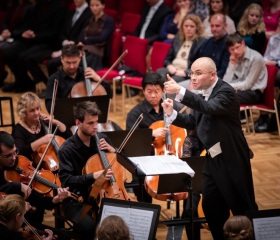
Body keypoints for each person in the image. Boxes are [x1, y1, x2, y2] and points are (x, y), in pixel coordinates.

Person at [162, 57, 258, 240]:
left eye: (198, 73)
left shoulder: (226, 92)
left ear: (213, 75)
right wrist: (172, 114)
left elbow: (210, 108)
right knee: (212, 206)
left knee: (242, 207)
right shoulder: (202, 93)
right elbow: (194, 122)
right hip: (213, 158)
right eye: (192, 73)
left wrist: (180, 91)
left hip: (232, 158)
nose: (193, 78)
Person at [58, 101, 114, 240]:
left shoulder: (102, 139)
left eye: (96, 122)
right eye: (90, 123)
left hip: (104, 195)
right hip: (77, 199)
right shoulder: (66, 149)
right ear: (78, 122)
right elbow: (67, 181)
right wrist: (92, 176)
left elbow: (118, 165)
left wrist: (114, 152)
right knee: (90, 228)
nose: (95, 127)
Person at [126, 72, 186, 203]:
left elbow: (185, 126)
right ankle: (147, 212)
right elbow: (130, 140)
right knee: (139, 179)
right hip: (147, 158)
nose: (153, 95)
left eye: (157, 91)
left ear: (163, 90)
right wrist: (151, 134)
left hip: (171, 153)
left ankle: (185, 217)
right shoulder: (135, 113)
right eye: (149, 91)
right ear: (143, 91)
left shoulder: (170, 107)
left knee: (190, 175)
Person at [0, 131, 71, 239]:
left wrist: (55, 200)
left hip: (23, 221)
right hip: (5, 225)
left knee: (63, 236)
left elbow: (36, 199)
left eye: (15, 152)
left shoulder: (18, 165)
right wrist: (16, 186)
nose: (14, 158)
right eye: (8, 155)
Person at [2, 0, 67, 92]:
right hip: (32, 39)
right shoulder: (36, 7)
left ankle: (43, 83)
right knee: (8, 52)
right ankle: (23, 81)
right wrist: (24, 33)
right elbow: (27, 25)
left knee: (24, 56)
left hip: (48, 43)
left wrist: (35, 36)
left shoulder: (59, 8)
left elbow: (56, 33)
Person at [44, 43, 112, 113]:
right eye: (68, 63)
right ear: (61, 59)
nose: (72, 66)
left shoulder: (87, 74)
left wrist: (99, 79)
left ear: (80, 59)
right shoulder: (54, 79)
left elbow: (109, 96)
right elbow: (50, 107)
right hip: (67, 118)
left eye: (74, 62)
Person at [12, 92, 72, 162]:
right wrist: (42, 140)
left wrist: (54, 121)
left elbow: (68, 135)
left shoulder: (45, 122)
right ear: (24, 112)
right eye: (32, 110)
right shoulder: (18, 130)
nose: (37, 112)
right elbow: (20, 152)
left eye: (38, 108)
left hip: (51, 161)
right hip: (31, 166)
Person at [157, 14, 206, 86]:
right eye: (186, 26)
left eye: (192, 26)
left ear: (197, 28)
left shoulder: (202, 42)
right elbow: (167, 59)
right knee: (158, 73)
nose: (188, 29)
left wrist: (186, 73)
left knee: (172, 82)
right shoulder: (177, 38)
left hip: (184, 72)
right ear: (182, 27)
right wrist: (169, 65)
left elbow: (201, 66)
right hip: (172, 69)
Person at [46, 0, 93, 76]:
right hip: (64, 46)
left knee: (52, 63)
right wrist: (65, 42)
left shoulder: (90, 14)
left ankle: (62, 86)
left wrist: (66, 48)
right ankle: (55, 86)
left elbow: (84, 36)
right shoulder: (71, 12)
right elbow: (62, 31)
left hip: (79, 49)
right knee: (49, 61)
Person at [223, 33, 267, 106]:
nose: (235, 51)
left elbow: (247, 85)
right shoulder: (234, 57)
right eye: (232, 49)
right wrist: (232, 65)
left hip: (253, 92)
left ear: (243, 43)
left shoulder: (256, 58)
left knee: (224, 97)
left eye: (237, 47)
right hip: (239, 90)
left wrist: (228, 86)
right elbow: (226, 81)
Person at [76, 0, 115, 71]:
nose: (94, 8)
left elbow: (101, 38)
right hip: (85, 50)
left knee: (77, 65)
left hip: (97, 53)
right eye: (92, 5)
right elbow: (80, 37)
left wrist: (87, 39)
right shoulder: (89, 20)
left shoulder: (108, 21)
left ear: (103, 6)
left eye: (97, 5)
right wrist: (89, 40)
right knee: (62, 60)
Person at [198, 13, 230, 79]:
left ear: (225, 26)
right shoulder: (207, 42)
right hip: (201, 77)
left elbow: (224, 70)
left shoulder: (229, 44)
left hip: (217, 80)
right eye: (212, 26)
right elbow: (200, 61)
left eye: (217, 26)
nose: (214, 29)